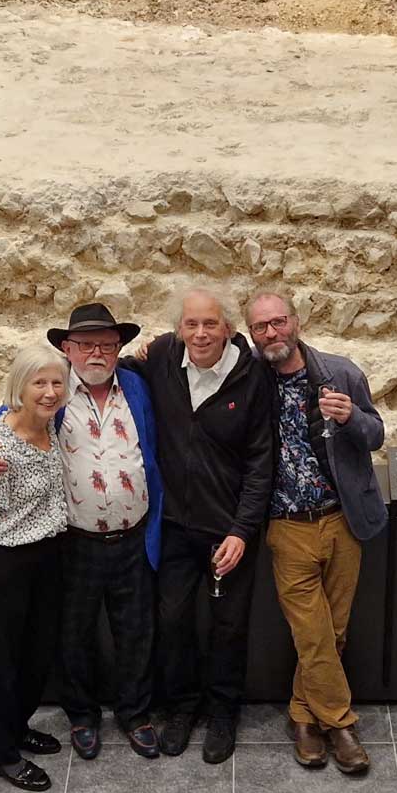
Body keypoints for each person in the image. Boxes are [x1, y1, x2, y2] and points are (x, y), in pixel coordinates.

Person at [0, 304, 164, 761]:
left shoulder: (136, 385)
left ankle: (135, 713)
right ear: (67, 349)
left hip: (134, 535)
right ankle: (82, 716)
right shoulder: (53, 392)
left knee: (136, 631)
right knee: (73, 635)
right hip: (74, 541)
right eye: (86, 344)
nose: (97, 352)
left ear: (119, 350)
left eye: (108, 344)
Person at [120, 286, 274, 764]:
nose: (201, 333)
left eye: (210, 324)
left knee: (228, 625)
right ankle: (183, 707)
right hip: (173, 524)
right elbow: (107, 371)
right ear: (177, 329)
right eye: (191, 324)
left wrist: (241, 532)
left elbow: (260, 464)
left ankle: (224, 711)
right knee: (173, 621)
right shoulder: (163, 356)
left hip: (228, 529)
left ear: (228, 328)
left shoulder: (252, 377)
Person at [245, 290, 387, 774]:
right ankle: (340, 724)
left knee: (334, 631)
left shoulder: (340, 372)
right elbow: (199, 349)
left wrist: (350, 419)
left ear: (296, 322)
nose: (272, 333)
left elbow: (376, 434)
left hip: (342, 519)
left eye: (278, 322)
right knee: (313, 632)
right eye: (261, 326)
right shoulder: (251, 379)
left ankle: (303, 717)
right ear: (251, 333)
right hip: (287, 527)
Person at [0, 344, 69, 792]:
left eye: (56, 382)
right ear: (18, 388)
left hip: (47, 557)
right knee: (1, 663)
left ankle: (17, 727)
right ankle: (1, 755)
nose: (49, 391)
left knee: (36, 656)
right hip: (7, 563)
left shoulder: (51, 425)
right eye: (39, 383)